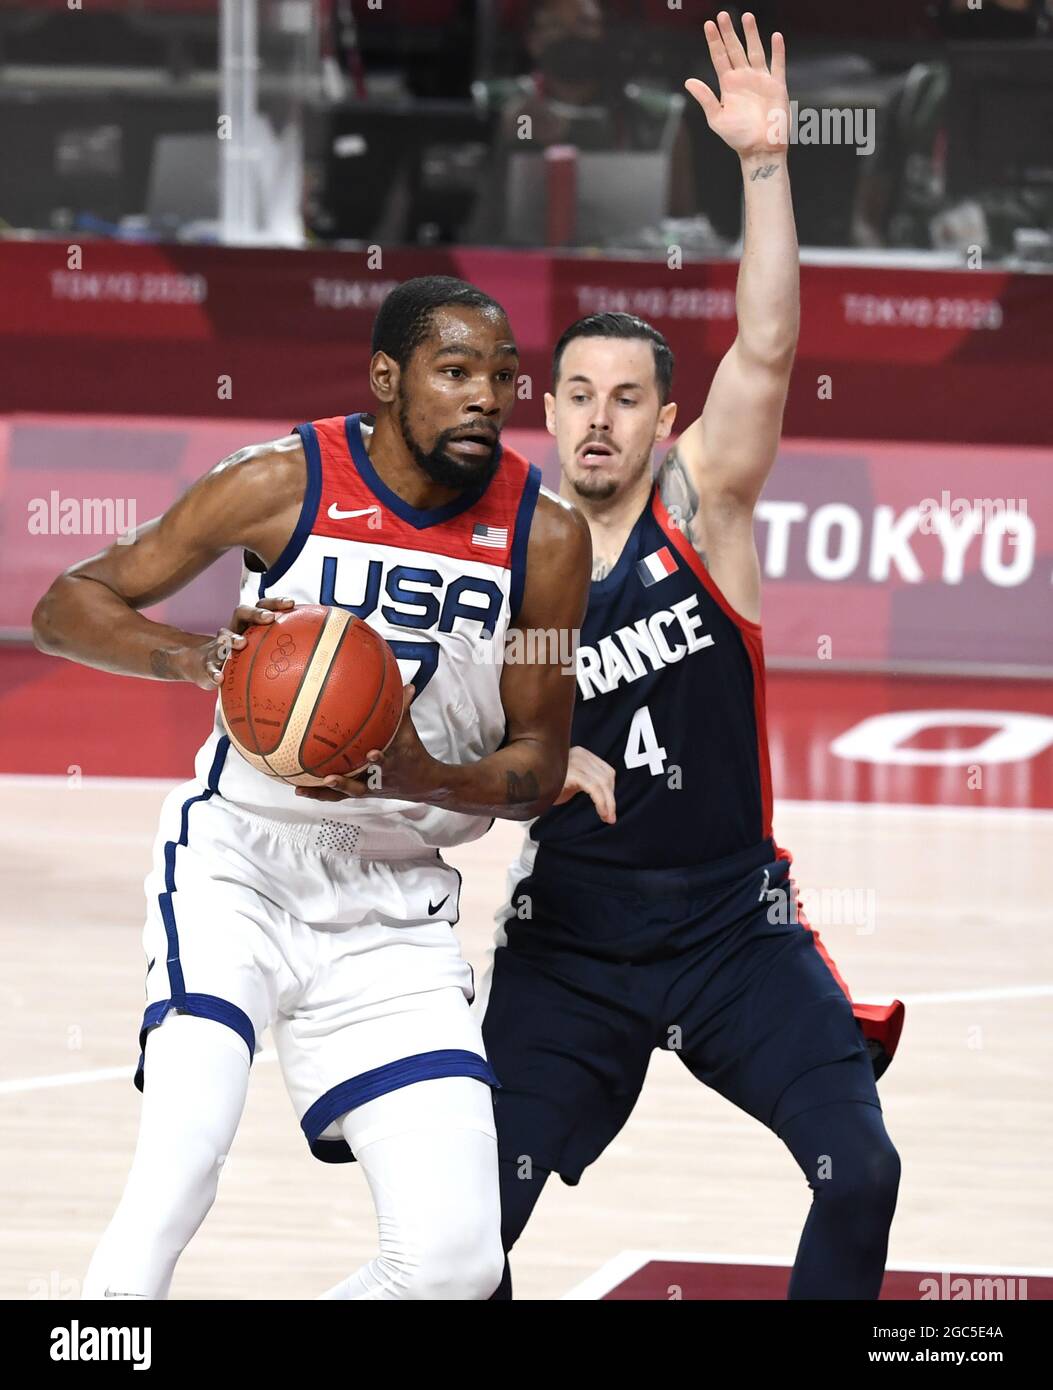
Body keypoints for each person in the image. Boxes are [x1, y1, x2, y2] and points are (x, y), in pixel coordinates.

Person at [31, 275, 591, 1301]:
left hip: (393, 905)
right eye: (456, 371)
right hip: (240, 862)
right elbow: (67, 604)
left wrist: (427, 772)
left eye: (504, 378)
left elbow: (539, 765)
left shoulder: (547, 539)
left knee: (458, 1262)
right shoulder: (278, 481)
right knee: (180, 1163)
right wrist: (200, 660)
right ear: (387, 378)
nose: (487, 398)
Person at [478, 14, 904, 1301]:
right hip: (570, 940)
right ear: (544, 410)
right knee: (455, 1229)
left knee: (862, 1171)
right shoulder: (499, 556)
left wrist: (765, 166)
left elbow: (767, 347)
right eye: (577, 394)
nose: (599, 417)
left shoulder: (705, 505)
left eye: (627, 398)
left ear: (668, 420)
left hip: (733, 928)